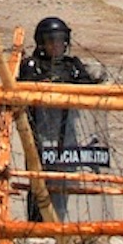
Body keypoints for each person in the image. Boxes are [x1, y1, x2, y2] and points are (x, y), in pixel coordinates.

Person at [18, 16, 102, 219]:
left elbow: (86, 84)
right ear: (41, 42)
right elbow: (27, 84)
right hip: (40, 133)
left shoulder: (72, 65)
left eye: (60, 41)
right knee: (38, 183)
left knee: (63, 183)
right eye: (51, 40)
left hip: (67, 132)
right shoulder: (32, 64)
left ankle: (58, 229)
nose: (56, 45)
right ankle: (36, 228)